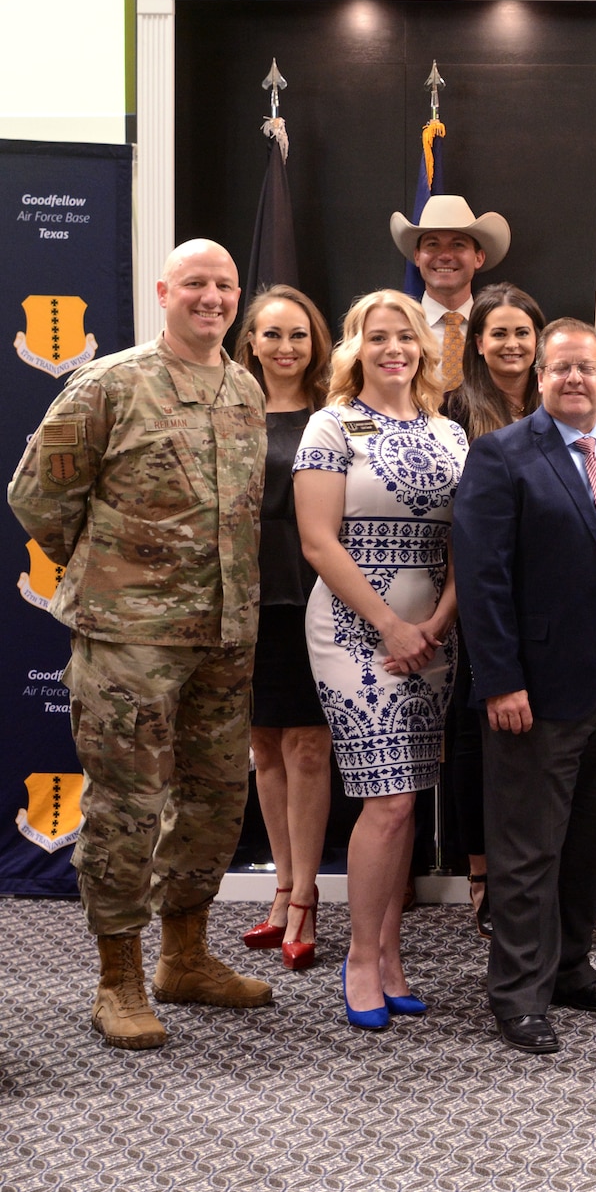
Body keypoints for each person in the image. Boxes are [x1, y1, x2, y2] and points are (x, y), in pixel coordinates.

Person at [9, 238, 271, 1049]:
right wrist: (115, 578)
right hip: (131, 642)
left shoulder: (245, 388)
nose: (212, 297)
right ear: (164, 290)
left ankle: (183, 957)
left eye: (225, 285)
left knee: (216, 803)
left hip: (224, 636)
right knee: (126, 811)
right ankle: (116, 978)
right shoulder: (110, 384)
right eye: (196, 282)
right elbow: (37, 498)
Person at [453, 317, 596, 1054]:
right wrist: (500, 681)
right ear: (541, 376)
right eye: (560, 369)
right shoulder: (501, 456)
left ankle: (570, 966)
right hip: (537, 687)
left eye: (587, 368)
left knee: (594, 838)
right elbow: (483, 580)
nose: (574, 380)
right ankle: (517, 990)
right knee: (529, 845)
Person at [294, 289, 468, 1030]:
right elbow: (318, 541)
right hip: (353, 628)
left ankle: (392, 954)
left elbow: (472, 543)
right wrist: (391, 625)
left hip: (434, 631)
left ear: (425, 349)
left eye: (406, 335)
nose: (393, 347)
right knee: (388, 799)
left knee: (409, 801)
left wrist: (435, 621)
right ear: (355, 348)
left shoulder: (451, 434)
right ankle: (361, 957)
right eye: (377, 335)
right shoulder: (330, 426)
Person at [234, 285, 335, 971]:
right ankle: (279, 885)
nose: (286, 347)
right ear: (251, 342)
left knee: (305, 747)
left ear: (315, 341)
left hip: (313, 595)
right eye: (272, 334)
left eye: (298, 334)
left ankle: (306, 898)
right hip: (243, 598)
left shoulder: (333, 414)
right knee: (263, 748)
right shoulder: (226, 409)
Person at [439, 282, 545, 939]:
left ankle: (530, 868)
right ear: (478, 342)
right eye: (498, 332)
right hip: (477, 596)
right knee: (477, 735)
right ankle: (481, 874)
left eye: (522, 333)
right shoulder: (453, 413)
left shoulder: (563, 402)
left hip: (551, 600)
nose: (511, 344)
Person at [389, 194, 512, 393]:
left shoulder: (501, 331)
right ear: (417, 256)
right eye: (432, 244)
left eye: (458, 245)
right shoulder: (395, 331)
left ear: (478, 258)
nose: (445, 256)